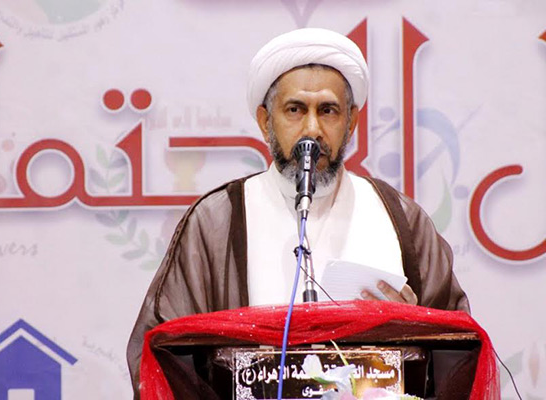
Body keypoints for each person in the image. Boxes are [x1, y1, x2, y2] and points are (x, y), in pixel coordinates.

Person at [127, 28, 469, 398]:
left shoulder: (401, 218)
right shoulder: (216, 221)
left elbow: (457, 348)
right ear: (265, 122)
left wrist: (414, 330)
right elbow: (162, 353)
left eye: (328, 111)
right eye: (295, 110)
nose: (312, 129)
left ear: (351, 123)